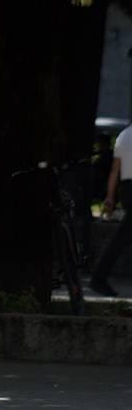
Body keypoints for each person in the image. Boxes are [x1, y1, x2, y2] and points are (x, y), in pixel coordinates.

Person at [90, 124, 132, 297]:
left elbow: (115, 169)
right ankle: (98, 277)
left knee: (124, 235)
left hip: (127, 188)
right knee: (122, 236)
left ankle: (98, 277)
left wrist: (110, 196)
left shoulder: (124, 135)